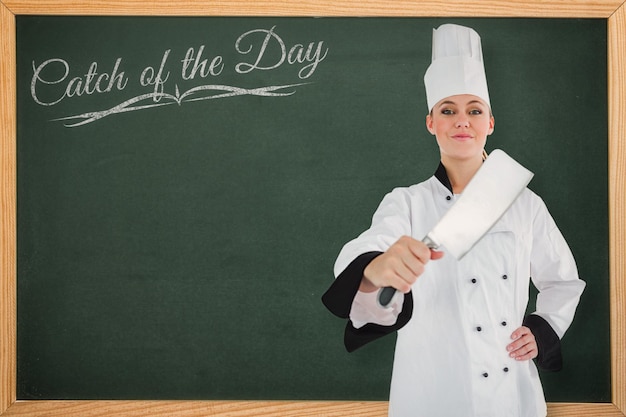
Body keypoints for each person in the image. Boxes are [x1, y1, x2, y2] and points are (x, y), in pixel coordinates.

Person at [322, 24, 586, 417]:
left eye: (474, 111)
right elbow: (372, 255)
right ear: (431, 123)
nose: (462, 121)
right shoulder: (406, 203)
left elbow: (562, 281)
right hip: (430, 390)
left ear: (490, 123)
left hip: (510, 391)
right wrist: (376, 269)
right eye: (448, 110)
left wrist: (542, 328)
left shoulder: (525, 203)